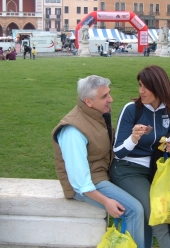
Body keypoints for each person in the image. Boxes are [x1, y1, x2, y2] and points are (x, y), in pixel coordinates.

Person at [51, 75, 145, 248]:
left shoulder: (96, 116)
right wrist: (106, 202)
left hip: (101, 175)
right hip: (87, 185)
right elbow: (80, 182)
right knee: (133, 210)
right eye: (104, 97)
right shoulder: (73, 130)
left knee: (145, 199)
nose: (111, 99)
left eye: (109, 93)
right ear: (88, 101)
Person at [110, 65, 170, 248]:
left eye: (146, 86)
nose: (141, 91)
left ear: (159, 87)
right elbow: (118, 151)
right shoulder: (132, 110)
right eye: (140, 85)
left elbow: (164, 142)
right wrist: (134, 137)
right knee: (157, 213)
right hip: (128, 170)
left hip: (156, 170)